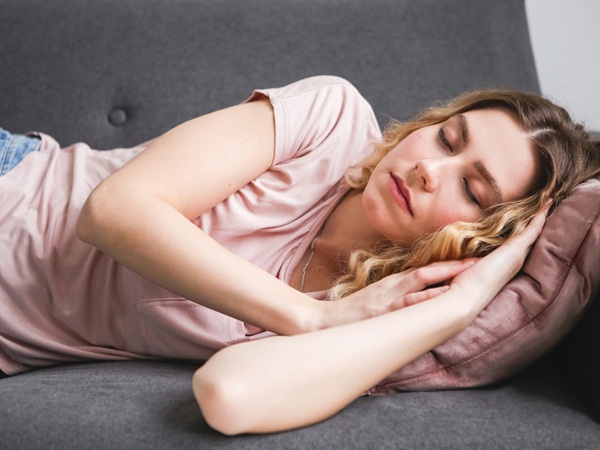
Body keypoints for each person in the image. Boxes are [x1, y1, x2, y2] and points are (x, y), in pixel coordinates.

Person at [1, 76, 599, 434]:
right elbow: (112, 210)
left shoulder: (379, 310)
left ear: (488, 236)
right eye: (447, 138)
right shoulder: (330, 120)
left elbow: (230, 396)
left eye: (472, 189)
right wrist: (309, 316)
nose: (428, 169)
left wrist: (457, 307)